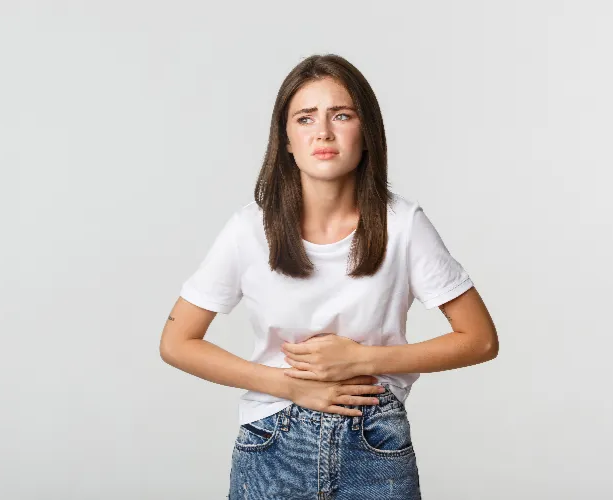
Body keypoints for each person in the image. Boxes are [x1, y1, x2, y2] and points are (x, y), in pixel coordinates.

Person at [159, 53, 499, 500]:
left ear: (366, 133)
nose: (323, 131)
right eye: (305, 118)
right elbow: (177, 342)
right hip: (272, 443)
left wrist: (362, 361)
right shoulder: (249, 229)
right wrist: (289, 386)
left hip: (374, 440)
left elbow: (480, 339)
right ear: (286, 139)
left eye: (341, 115)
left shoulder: (403, 224)